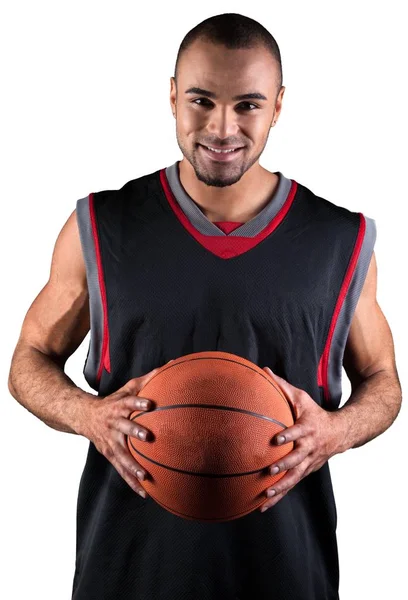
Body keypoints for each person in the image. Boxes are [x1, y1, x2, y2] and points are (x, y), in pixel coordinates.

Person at [7, 12, 402, 600]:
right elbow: (28, 359)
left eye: (247, 104)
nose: (222, 127)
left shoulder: (338, 240)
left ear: (278, 105)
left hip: (287, 576)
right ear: (171, 97)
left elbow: (384, 382)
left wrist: (335, 432)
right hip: (128, 574)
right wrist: (88, 415)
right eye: (201, 100)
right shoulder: (102, 225)